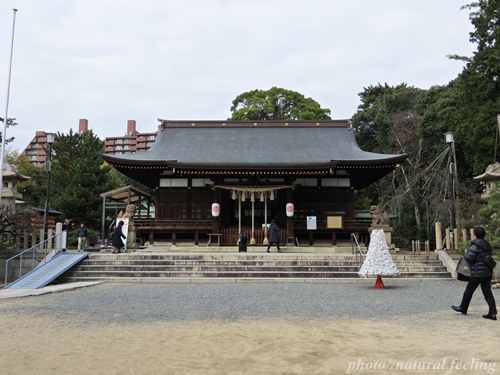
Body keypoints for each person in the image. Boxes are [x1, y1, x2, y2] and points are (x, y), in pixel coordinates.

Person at [452, 226, 497, 320]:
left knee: (469, 290)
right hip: (487, 272)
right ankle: (492, 313)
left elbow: (469, 258)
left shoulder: (474, 245)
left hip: (478, 273)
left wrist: (466, 252)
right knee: (487, 292)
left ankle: (463, 308)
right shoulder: (487, 244)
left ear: (475, 235)